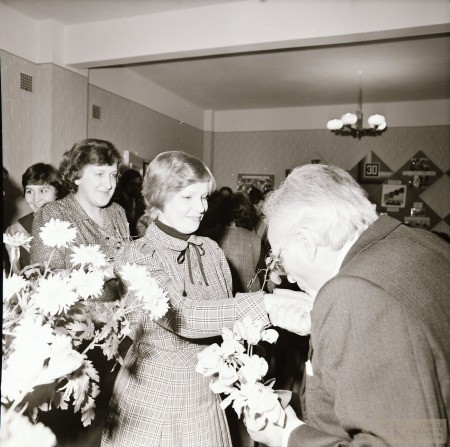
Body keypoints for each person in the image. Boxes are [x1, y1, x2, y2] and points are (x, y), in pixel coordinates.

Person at [101, 151, 302, 447]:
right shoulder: (137, 255)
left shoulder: (210, 249)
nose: (201, 208)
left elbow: (226, 315)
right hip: (154, 395)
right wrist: (266, 305)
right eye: (188, 198)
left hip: (204, 394)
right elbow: (182, 316)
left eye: (204, 197)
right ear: (158, 197)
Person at [246, 163, 450, 447]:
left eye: (279, 259)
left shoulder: (351, 293)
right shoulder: (420, 241)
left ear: (307, 241)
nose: (288, 275)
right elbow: (417, 413)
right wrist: (298, 405)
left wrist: (288, 435)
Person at [30, 139, 130, 446]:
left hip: (118, 338)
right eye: (99, 174)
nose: (109, 183)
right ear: (76, 175)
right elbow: (44, 279)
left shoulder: (117, 213)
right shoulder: (53, 214)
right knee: (73, 432)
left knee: (108, 428)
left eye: (113, 175)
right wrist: (107, 271)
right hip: (74, 342)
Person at [5, 163, 65, 273]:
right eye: (29, 191)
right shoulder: (15, 232)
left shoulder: (73, 224)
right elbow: (15, 276)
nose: (36, 199)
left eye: (43, 190)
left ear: (57, 192)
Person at [218, 191, 262, 293]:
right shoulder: (255, 238)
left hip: (224, 295)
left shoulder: (212, 236)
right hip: (250, 295)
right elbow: (260, 271)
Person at [112, 168, 145, 238]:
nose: (136, 188)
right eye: (133, 184)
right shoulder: (115, 202)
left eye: (138, 185)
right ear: (124, 184)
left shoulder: (140, 202)